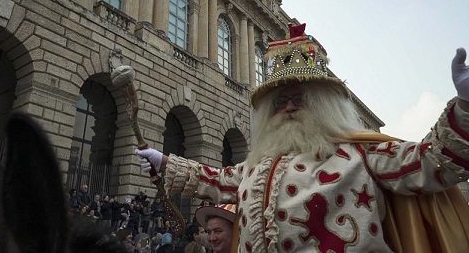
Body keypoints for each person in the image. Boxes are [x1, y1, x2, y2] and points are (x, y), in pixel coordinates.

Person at [136, 23, 469, 252]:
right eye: (280, 102)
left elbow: (431, 162)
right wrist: (165, 162)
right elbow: (216, 180)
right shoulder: (256, 166)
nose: (289, 107)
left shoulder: (362, 155)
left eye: (299, 98)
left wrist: (465, 109)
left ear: (322, 104)